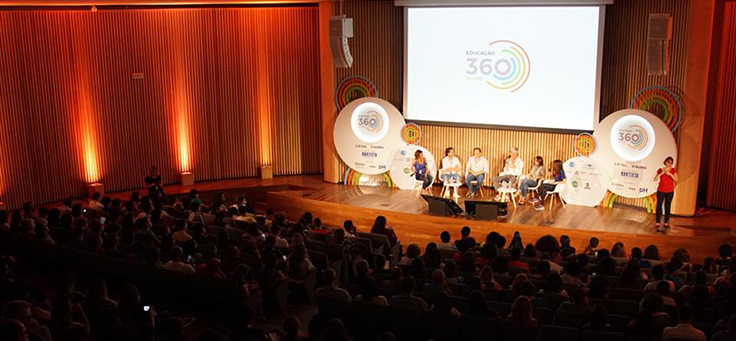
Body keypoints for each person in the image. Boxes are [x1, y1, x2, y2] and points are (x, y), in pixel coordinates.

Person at [654, 156, 678, 232]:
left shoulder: (673, 170)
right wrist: (661, 173)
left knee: (667, 206)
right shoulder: (660, 170)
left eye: (670, 162)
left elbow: (677, 179)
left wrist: (670, 174)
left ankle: (666, 222)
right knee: (659, 205)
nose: (668, 164)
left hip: (669, 191)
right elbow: (655, 179)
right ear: (665, 162)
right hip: (661, 190)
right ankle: (657, 221)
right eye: (667, 162)